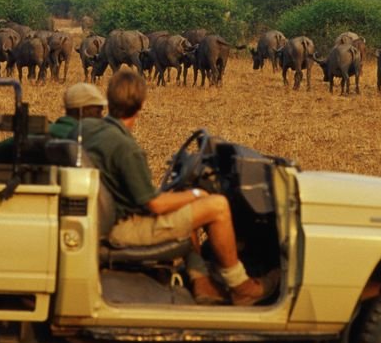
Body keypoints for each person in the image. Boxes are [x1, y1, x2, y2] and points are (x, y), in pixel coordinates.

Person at [78, 68, 277, 306]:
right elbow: (153, 203)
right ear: (141, 105)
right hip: (123, 229)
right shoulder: (126, 149)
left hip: (106, 220)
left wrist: (183, 196)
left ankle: (201, 282)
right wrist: (196, 193)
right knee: (218, 206)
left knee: (183, 205)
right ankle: (240, 286)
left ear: (109, 101)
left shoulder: (91, 130)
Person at [0, 82, 107, 163]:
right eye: (98, 111)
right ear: (83, 111)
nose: (101, 117)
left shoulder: (40, 131)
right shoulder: (90, 138)